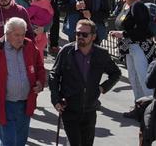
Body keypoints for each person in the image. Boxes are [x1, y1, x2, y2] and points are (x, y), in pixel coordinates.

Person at [49, 18, 121, 146]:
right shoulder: (66, 51)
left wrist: (102, 88)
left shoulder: (101, 54)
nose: (80, 37)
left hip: (90, 109)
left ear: (93, 37)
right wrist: (56, 98)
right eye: (78, 33)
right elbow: (54, 75)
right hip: (69, 107)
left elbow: (116, 73)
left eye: (84, 34)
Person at [0, 17, 46, 146]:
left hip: (26, 103)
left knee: (21, 140)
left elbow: (39, 67)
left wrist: (40, 82)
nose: (20, 38)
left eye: (23, 34)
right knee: (9, 142)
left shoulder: (29, 45)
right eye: (16, 35)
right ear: (7, 34)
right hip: (5, 104)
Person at [110, 0, 155, 118]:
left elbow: (142, 30)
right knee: (133, 78)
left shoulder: (138, 6)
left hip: (139, 47)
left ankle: (151, 111)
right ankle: (139, 107)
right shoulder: (126, 6)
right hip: (129, 48)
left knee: (143, 78)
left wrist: (122, 34)